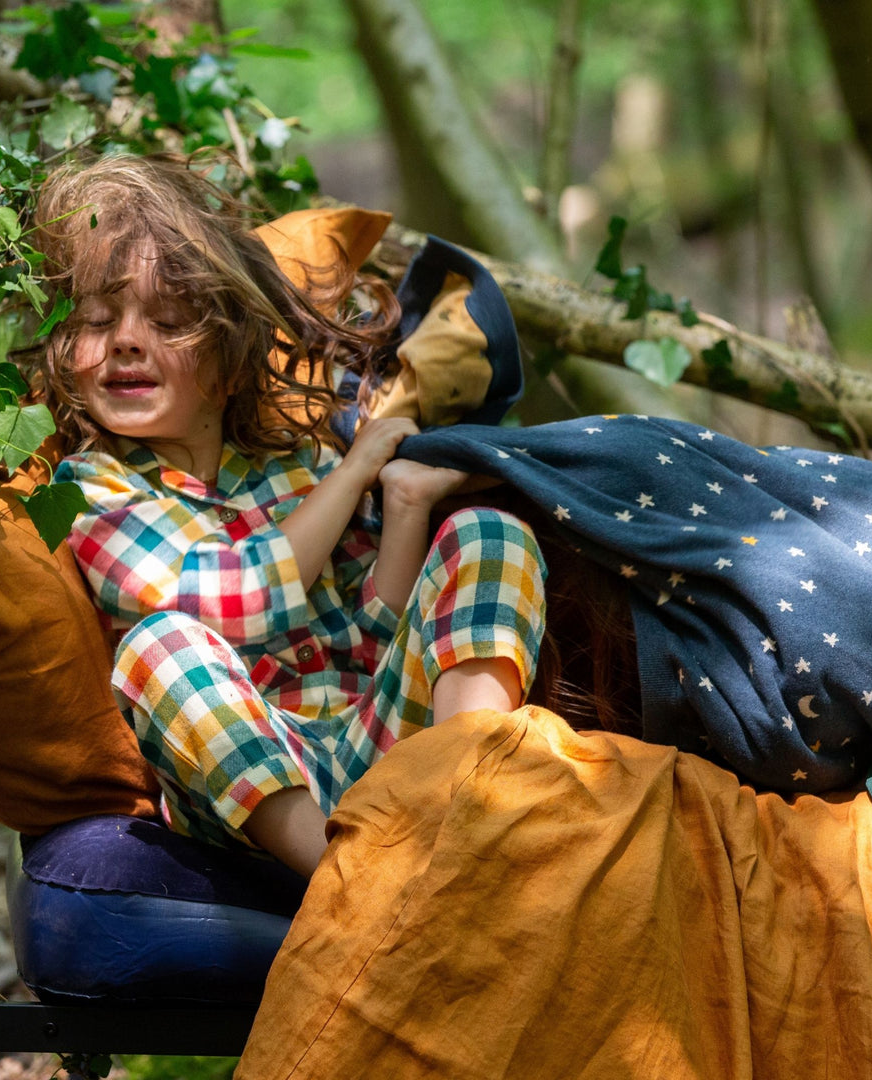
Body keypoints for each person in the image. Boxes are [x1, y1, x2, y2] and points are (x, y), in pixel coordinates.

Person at [37, 154, 548, 877]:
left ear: (231, 356)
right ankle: (349, 883)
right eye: (96, 321)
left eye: (167, 320)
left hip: (375, 740)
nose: (125, 339)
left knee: (490, 534)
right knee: (161, 644)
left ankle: (472, 812)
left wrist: (402, 504)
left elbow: (369, 632)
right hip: (260, 782)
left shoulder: (292, 466)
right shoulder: (92, 490)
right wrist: (355, 470)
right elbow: (234, 601)